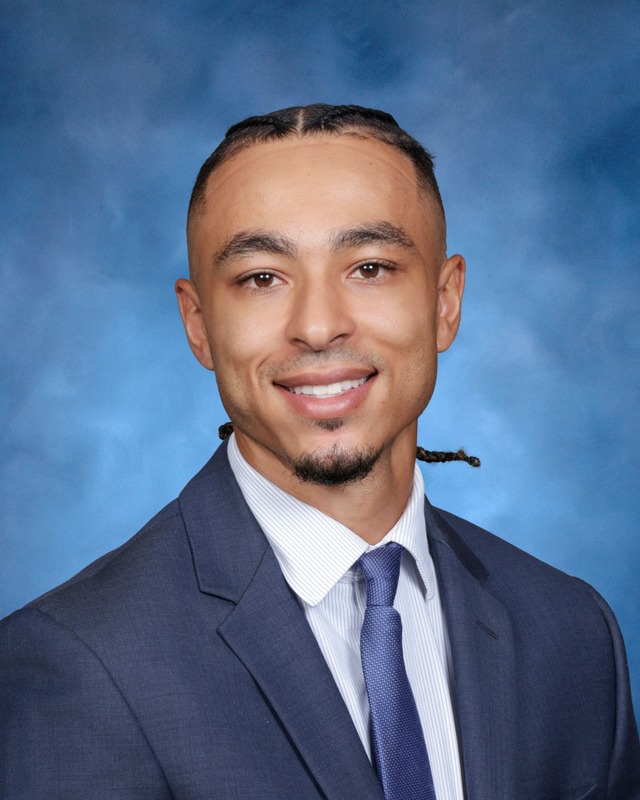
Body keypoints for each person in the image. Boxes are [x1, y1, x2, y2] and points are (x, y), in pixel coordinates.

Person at [0, 104, 638, 800]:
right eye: (261, 278)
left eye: (369, 266)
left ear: (445, 302)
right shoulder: (75, 664)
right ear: (199, 325)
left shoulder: (573, 633)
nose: (318, 325)